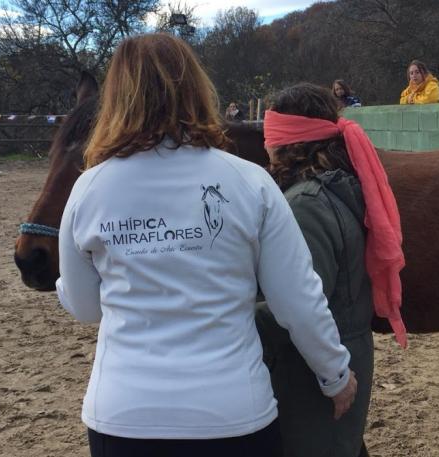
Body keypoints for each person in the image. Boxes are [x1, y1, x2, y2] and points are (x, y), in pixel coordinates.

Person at [55, 33, 357, 457]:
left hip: (123, 416)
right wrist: (335, 374)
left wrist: (70, 286)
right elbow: (299, 300)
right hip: (231, 414)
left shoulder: (89, 189)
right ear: (195, 89)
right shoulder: (249, 180)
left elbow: (85, 308)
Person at [257, 82, 408, 457]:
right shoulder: (338, 186)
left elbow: (303, 303)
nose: (266, 146)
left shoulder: (306, 204)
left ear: (285, 140)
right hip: (343, 348)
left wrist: (227, 318)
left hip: (314, 366)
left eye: (270, 136)